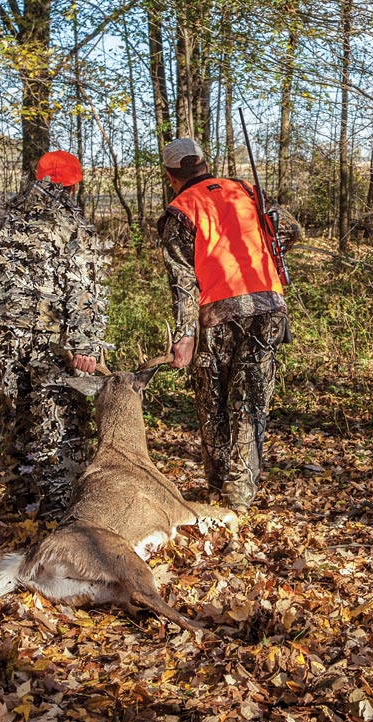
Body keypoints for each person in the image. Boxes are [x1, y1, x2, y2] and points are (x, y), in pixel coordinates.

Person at [0, 150, 109, 516]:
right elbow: (83, 287)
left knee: (16, 413)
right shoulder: (71, 223)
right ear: (73, 186)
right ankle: (58, 509)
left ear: (35, 178)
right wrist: (85, 343)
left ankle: (21, 499)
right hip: (50, 336)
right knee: (59, 415)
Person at [157, 137, 301, 514]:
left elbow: (183, 284)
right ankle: (238, 498)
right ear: (204, 164)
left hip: (217, 316)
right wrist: (268, 251)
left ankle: (219, 491)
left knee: (214, 404)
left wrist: (184, 336)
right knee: (249, 402)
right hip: (268, 308)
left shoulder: (180, 210)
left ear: (171, 176)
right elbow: (291, 230)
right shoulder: (247, 190)